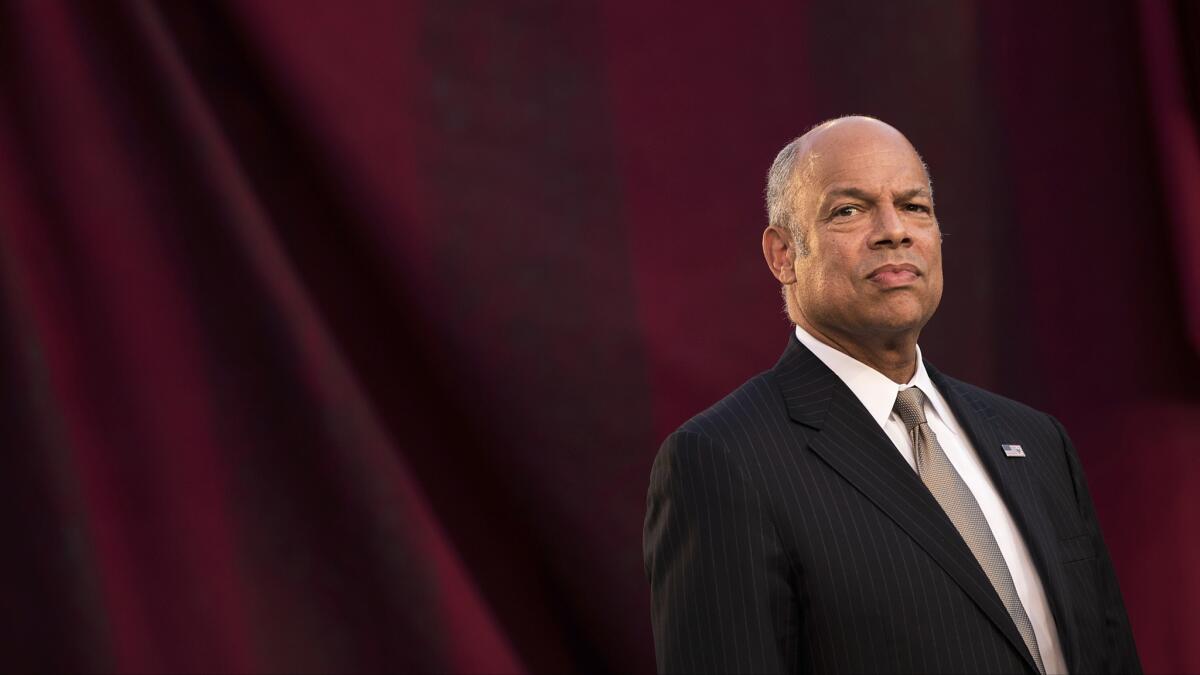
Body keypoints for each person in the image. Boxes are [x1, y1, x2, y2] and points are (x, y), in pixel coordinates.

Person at [642, 116, 1141, 674]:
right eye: (849, 210)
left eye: (914, 206)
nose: (894, 231)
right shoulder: (722, 461)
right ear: (783, 255)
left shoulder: (1037, 440)